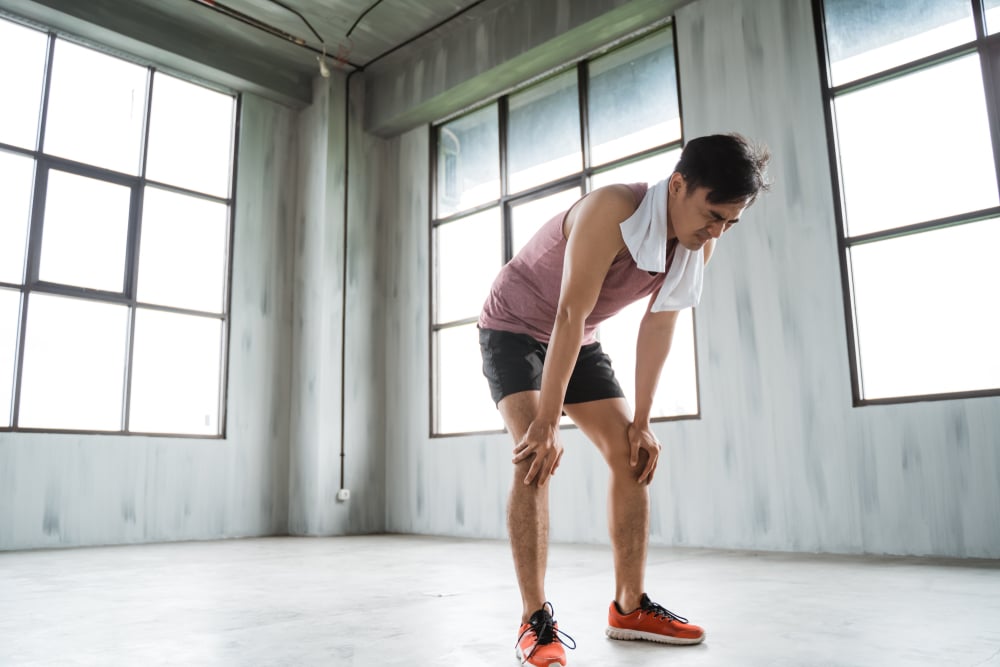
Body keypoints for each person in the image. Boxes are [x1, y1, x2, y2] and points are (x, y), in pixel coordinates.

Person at [477, 133, 771, 666]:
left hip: (579, 336)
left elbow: (659, 325)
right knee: (533, 458)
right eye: (712, 215)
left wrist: (642, 421)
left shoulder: (701, 239)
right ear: (678, 184)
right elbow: (568, 311)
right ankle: (533, 620)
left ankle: (629, 608)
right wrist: (546, 419)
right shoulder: (613, 208)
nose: (717, 231)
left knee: (633, 456)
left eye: (730, 221)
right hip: (516, 325)